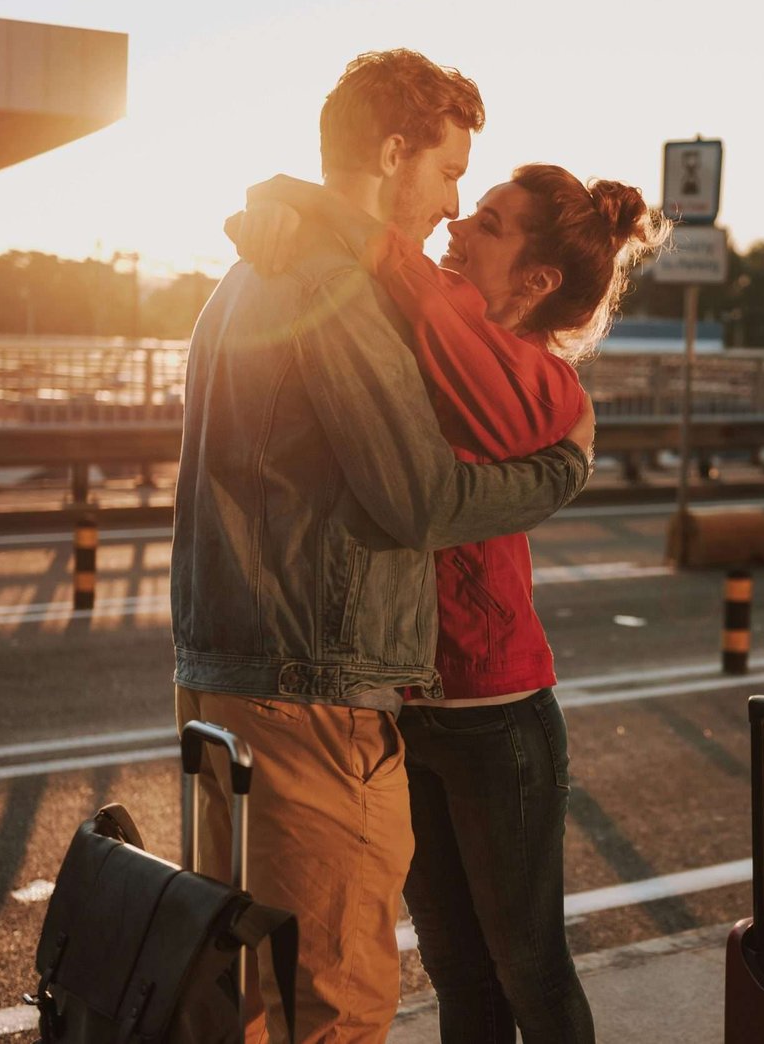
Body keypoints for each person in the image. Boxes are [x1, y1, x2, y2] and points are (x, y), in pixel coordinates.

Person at [171, 49, 596, 1044]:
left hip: (241, 683)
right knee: (336, 1003)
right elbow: (415, 498)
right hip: (310, 695)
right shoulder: (331, 282)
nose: (450, 207)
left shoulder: (256, 269)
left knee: (258, 999)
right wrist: (561, 471)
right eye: (450, 175)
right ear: (396, 151)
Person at [229, 163, 668, 1042]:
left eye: (492, 224)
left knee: (530, 969)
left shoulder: (538, 383)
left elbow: (427, 305)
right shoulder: (434, 330)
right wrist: (277, 218)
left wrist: (306, 202)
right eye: (471, 208)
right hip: (412, 709)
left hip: (499, 718)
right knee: (458, 973)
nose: (460, 226)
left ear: (538, 282)